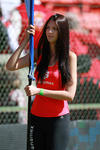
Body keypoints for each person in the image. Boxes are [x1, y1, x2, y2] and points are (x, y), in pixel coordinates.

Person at [6, 14, 77, 150]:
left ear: (61, 31)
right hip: (36, 117)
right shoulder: (38, 54)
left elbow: (70, 95)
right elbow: (11, 66)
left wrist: (39, 91)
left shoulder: (70, 57)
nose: (49, 32)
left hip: (58, 119)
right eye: (48, 28)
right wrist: (25, 41)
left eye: (54, 29)